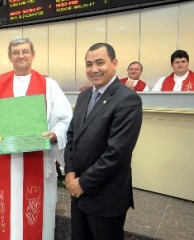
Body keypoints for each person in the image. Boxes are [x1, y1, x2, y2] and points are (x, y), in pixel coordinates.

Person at [0, 36, 72, 240]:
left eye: (25, 51)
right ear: (10, 57)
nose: (21, 56)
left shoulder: (48, 85)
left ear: (33, 55)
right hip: (4, 164)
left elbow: (64, 120)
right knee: (6, 218)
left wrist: (55, 134)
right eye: (16, 52)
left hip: (37, 161)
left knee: (37, 216)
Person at [64, 43, 142, 240]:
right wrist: (70, 172)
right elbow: (72, 137)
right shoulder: (83, 96)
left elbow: (117, 153)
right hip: (78, 194)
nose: (94, 69)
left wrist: (83, 183)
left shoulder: (127, 99)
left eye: (100, 63)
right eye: (89, 64)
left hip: (106, 198)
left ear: (114, 63)